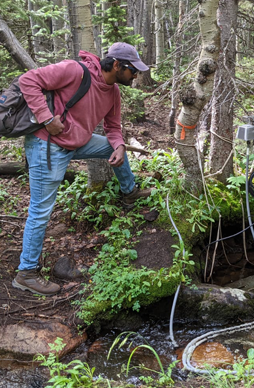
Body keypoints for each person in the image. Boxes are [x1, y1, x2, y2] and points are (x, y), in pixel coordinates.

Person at [12, 42, 152, 296]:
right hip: (49, 144)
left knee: (112, 147)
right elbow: (28, 80)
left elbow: (112, 127)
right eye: (134, 70)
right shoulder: (74, 71)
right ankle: (26, 274)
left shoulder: (113, 92)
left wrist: (119, 146)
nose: (136, 76)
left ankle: (129, 192)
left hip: (77, 140)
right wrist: (45, 118)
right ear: (118, 65)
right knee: (41, 210)